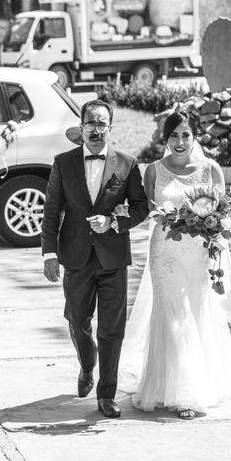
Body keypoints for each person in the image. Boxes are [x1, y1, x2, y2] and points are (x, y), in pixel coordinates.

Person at [120, 111, 231, 420]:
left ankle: (193, 388)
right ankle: (171, 388)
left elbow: (220, 217)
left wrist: (216, 252)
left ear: (196, 137)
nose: (180, 142)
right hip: (164, 251)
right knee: (169, 313)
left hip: (197, 253)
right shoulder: (152, 171)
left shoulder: (210, 169)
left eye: (186, 135)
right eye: (174, 135)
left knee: (194, 312)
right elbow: (149, 211)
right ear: (166, 139)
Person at [42, 99, 149, 418]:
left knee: (112, 329)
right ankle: (87, 366)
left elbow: (141, 207)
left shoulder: (127, 163)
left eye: (102, 124)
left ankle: (107, 394)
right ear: (82, 126)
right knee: (77, 320)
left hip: (113, 257)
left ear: (110, 129)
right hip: (74, 256)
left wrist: (114, 222)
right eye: (91, 123)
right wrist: (50, 253)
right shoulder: (63, 163)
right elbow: (51, 211)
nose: (96, 129)